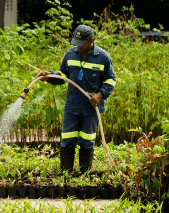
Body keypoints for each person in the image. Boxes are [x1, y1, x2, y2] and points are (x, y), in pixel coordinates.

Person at [34, 25, 117, 173]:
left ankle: (84, 174)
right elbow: (62, 76)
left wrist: (100, 95)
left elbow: (111, 79)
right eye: (76, 43)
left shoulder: (103, 57)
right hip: (72, 106)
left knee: (87, 140)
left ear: (92, 40)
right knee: (68, 139)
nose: (78, 47)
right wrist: (49, 76)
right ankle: (66, 173)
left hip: (91, 108)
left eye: (82, 43)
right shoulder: (70, 55)